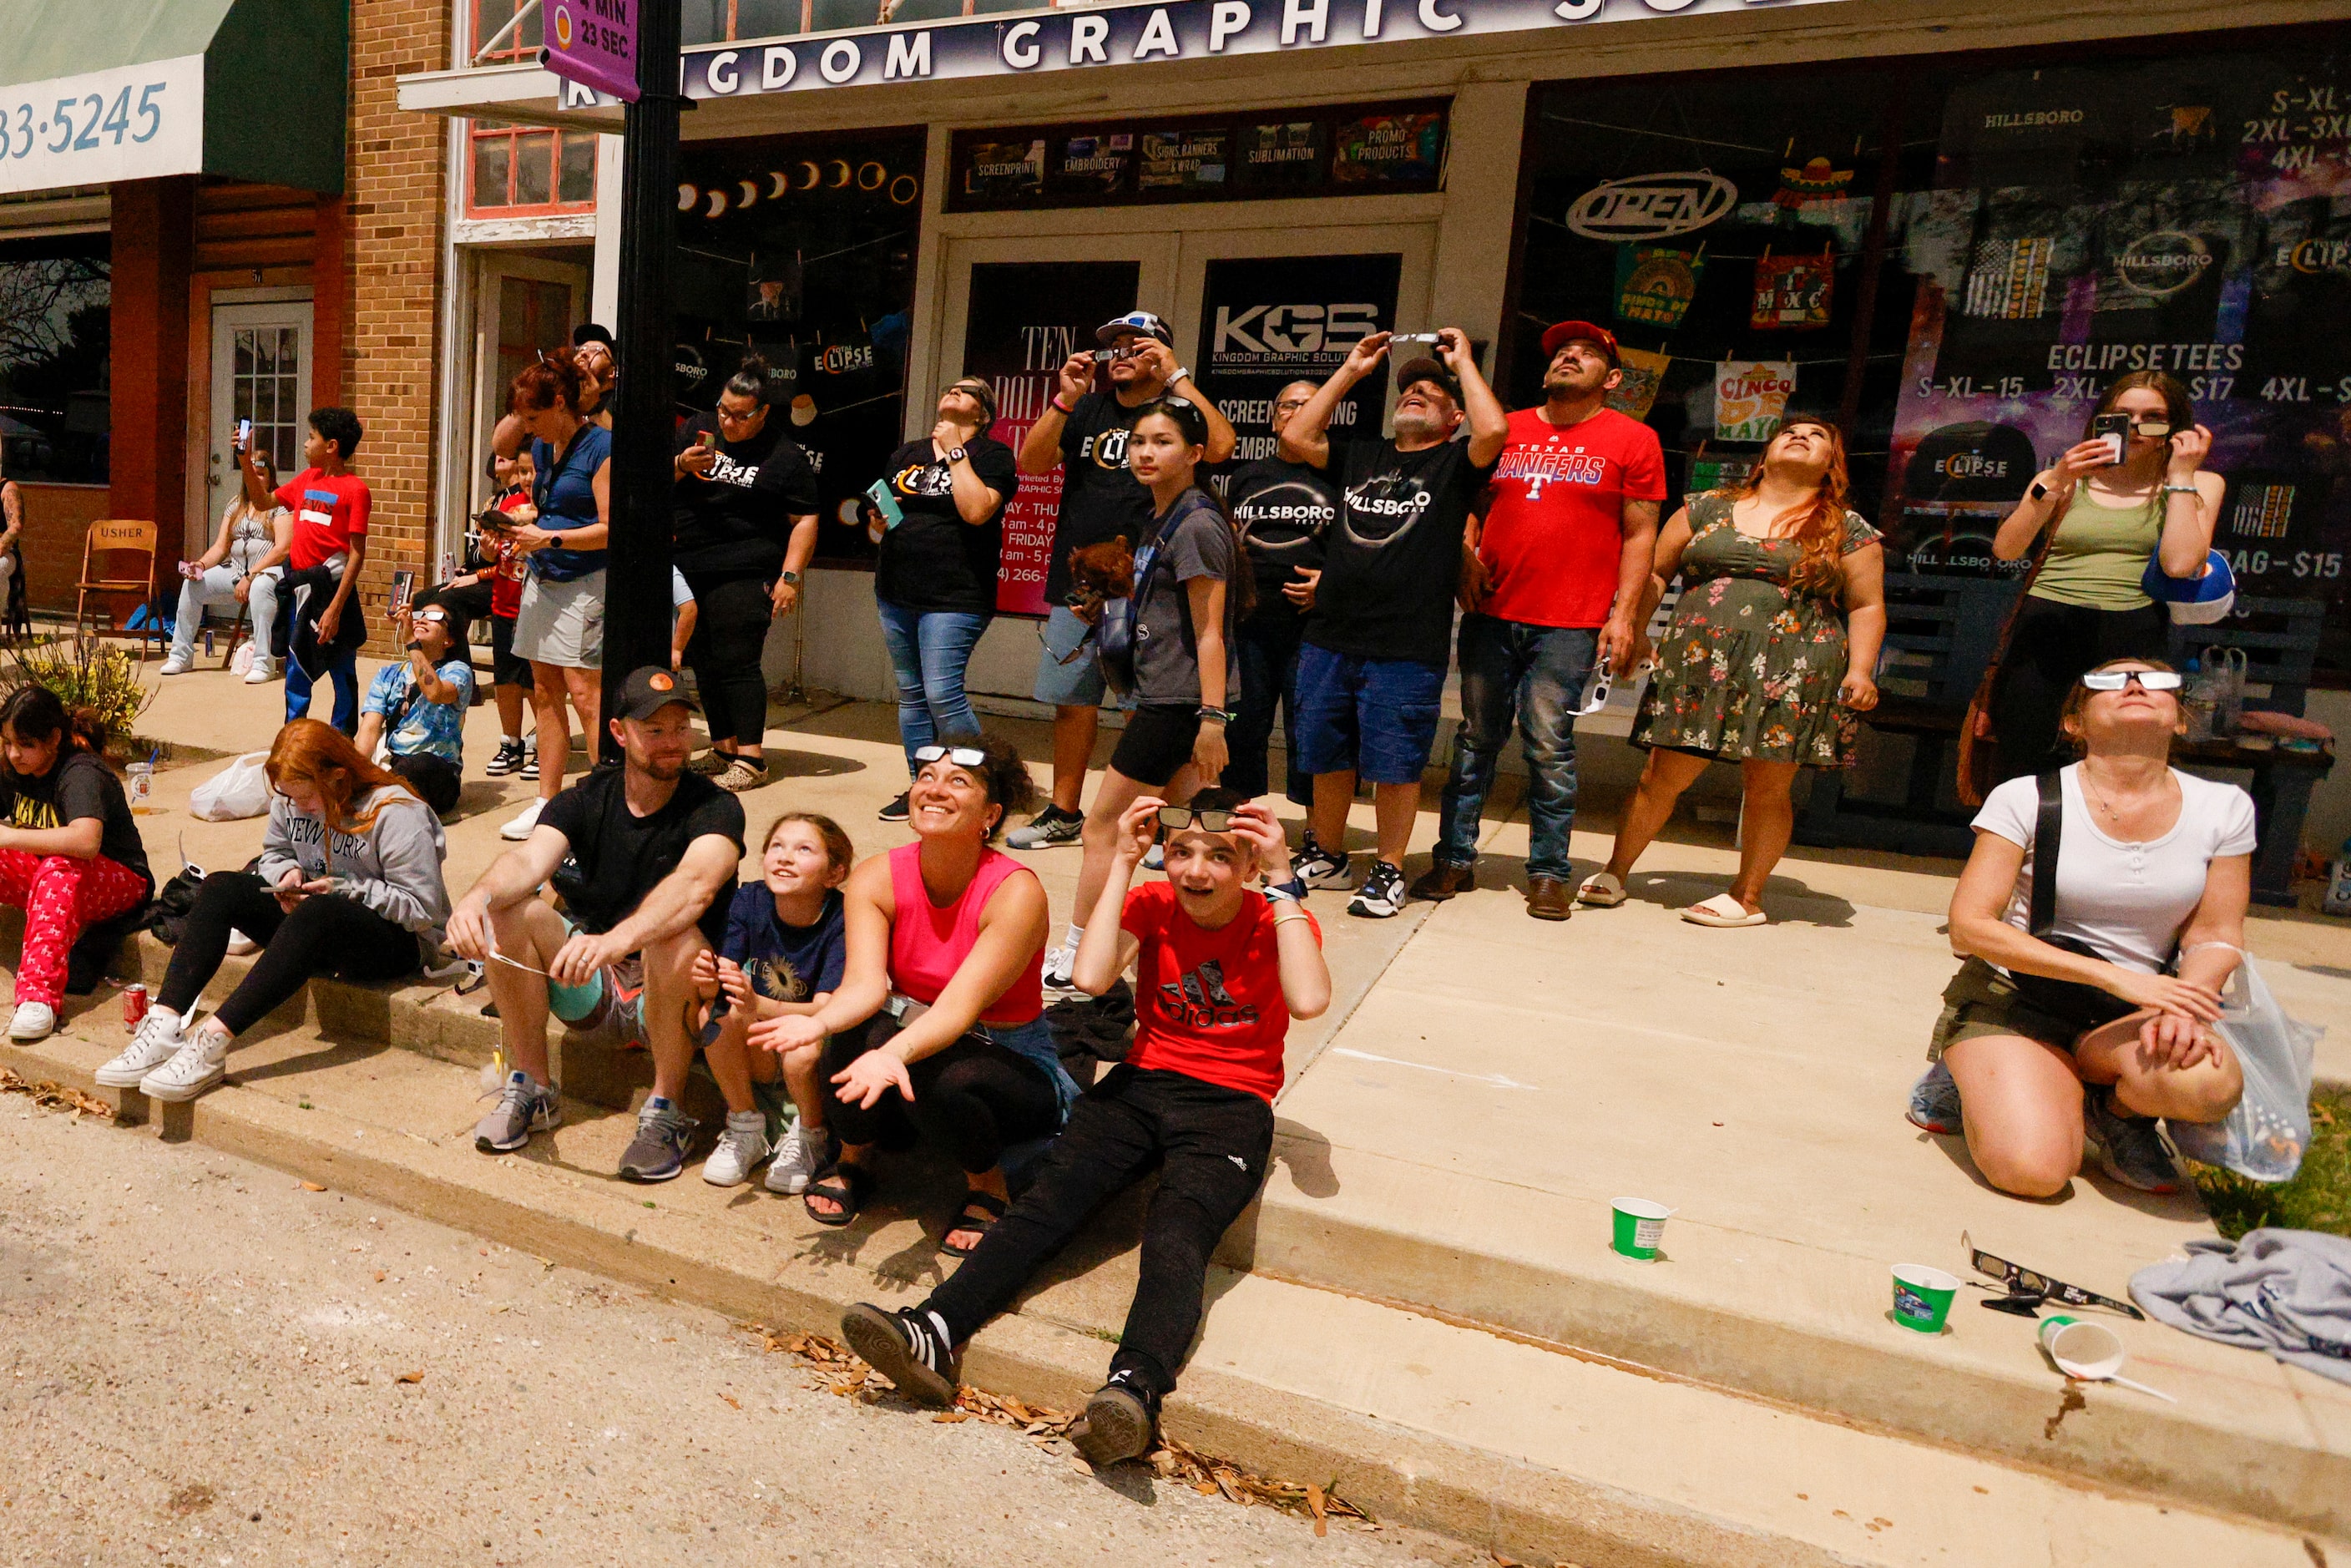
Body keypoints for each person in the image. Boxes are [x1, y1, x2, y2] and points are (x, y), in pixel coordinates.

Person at [839, 788, 1330, 1464]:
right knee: (1045, 1205)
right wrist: (1124, 862)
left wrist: (1283, 883)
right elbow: (1092, 978)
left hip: (1231, 1104)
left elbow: (1308, 999)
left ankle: (1134, 1389)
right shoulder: (1153, 904)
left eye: (1221, 857)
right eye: (1180, 852)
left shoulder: (1277, 918)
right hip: (1140, 1086)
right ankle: (933, 1327)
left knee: (1177, 1232)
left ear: (1247, 867)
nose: (1195, 871)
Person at [1918, 659, 2248, 1198]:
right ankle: (1971, 1069)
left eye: (2156, 682)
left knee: (2208, 1086)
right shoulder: (2026, 796)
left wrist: (2189, 1003)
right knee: (2035, 1173)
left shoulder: (2223, 807)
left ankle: (2117, 1112)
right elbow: (1969, 928)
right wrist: (2113, 976)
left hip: (2134, 1012)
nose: (2136, 686)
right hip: (2022, 996)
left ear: (2180, 720)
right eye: (2111, 682)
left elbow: (2217, 932)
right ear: (2075, 722)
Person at [751, 736, 1076, 1249]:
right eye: (926, 777)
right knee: (852, 1028)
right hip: (920, 1034)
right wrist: (817, 1022)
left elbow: (957, 1011)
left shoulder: (1016, 892)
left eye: (958, 781)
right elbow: (861, 986)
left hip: (1007, 1058)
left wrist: (893, 1053)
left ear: (990, 813)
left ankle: (989, 1187)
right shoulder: (878, 875)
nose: (935, 789)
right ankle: (855, 1157)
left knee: (934, 1070)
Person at [1579, 417, 1887, 926]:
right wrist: (1634, 628)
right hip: (1698, 664)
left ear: (1832, 465)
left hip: (1795, 667)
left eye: (1818, 437)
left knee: (1767, 787)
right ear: (1763, 455)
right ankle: (1615, 871)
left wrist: (1861, 670)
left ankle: (1747, 896)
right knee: (1660, 776)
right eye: (1790, 431)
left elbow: (1866, 605)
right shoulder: (1706, 507)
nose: (1801, 436)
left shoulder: (1847, 528)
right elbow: (1656, 571)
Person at [447, 668, 746, 1181]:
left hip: (672, 1000)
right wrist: (475, 899)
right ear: (618, 732)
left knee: (673, 935)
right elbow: (528, 863)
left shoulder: (716, 806)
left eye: (680, 729)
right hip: (595, 989)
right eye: (655, 731)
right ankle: (534, 1089)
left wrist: (616, 940)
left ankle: (666, 1110)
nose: (673, 743)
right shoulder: (584, 800)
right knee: (507, 908)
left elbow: (698, 884)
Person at [1411, 321, 1666, 918]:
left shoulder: (1634, 439)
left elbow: (1641, 533)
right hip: (1493, 612)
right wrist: (1464, 557)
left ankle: (1549, 871)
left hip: (1570, 623)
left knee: (1549, 747)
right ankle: (1454, 858)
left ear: (1615, 377)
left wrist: (1624, 617)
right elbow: (1468, 505)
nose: (1569, 358)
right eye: (1560, 353)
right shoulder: (1508, 429)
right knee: (1474, 741)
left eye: (1587, 354)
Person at [94, 720, 446, 1101]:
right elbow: (275, 853)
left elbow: (422, 909)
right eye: (289, 798)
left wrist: (345, 889)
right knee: (221, 886)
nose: (297, 807)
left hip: (397, 941)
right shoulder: (289, 798)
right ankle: (164, 1024)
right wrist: (287, 873)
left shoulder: (396, 813)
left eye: (306, 799)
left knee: (321, 912)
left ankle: (213, 1041)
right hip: (315, 924)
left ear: (339, 777)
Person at [1278, 330, 1507, 918]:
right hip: (1329, 635)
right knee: (1326, 755)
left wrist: (1460, 366)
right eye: (1409, 390)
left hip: (1405, 645)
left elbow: (1495, 432)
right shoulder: (1362, 454)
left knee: (1395, 764)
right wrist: (1352, 369)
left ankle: (1387, 870)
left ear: (1453, 417)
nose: (1416, 394)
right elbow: (1298, 434)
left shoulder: (1455, 463)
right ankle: (1328, 854)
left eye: (1431, 394)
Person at [1009, 311, 1236, 850]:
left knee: (1150, 711)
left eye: (1139, 344)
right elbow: (1032, 462)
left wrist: (1177, 375)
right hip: (1083, 581)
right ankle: (1065, 812)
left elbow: (1221, 446)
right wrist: (1065, 397)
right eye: (1116, 345)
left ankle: (1162, 824)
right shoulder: (1089, 407)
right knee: (1072, 700)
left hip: (1148, 584)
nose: (1123, 352)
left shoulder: (1175, 413)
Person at [1045, 397, 1246, 990]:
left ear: (1195, 454)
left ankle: (1081, 952)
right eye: (1137, 442)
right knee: (1197, 830)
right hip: (1167, 693)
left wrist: (1212, 719)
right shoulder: (1163, 516)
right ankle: (1218, 946)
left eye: (1161, 442)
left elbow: (1212, 630)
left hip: (1179, 702)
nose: (1145, 452)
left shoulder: (1199, 523)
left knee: (1103, 826)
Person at [1987, 371, 2223, 783]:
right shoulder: (2059, 480)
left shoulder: (2199, 483)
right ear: (2101, 421)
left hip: (2132, 631)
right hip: (2047, 626)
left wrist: (2181, 477)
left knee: (2117, 767)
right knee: (2025, 765)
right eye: (2121, 416)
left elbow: (2180, 564)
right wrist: (2057, 482)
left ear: (2175, 429)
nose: (2135, 427)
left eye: (2153, 418)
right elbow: (2006, 549)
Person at [869, 377, 1019, 822]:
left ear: (983, 414)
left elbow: (976, 511)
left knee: (942, 692)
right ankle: (923, 785)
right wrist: (880, 519)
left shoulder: (992, 455)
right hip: (896, 590)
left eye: (967, 391)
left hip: (955, 594)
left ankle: (984, 786)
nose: (954, 391)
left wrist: (956, 450)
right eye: (951, 387)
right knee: (912, 695)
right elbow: (884, 525)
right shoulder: (907, 454)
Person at [672, 354, 820, 792]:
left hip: (746, 567)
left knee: (737, 661)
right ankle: (723, 748)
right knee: (705, 663)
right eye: (723, 410)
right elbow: (647, 481)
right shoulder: (696, 430)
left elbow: (806, 520)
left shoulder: (785, 456)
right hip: (690, 564)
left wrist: (790, 579)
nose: (728, 421)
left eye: (739, 415)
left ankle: (752, 759)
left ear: (763, 412)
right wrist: (682, 465)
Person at [692, 811, 853, 1191]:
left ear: (834, 874)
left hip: (817, 1045)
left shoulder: (842, 918)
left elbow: (827, 1009)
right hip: (763, 1045)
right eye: (776, 846)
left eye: (804, 849)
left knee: (800, 1048)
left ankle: (812, 1137)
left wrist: (757, 1006)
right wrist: (710, 980)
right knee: (712, 1016)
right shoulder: (751, 899)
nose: (784, 856)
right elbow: (728, 976)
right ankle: (745, 1125)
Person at [499, 351, 613, 842]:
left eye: (533, 416)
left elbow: (611, 529)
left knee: (588, 695)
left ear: (561, 403)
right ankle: (548, 803)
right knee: (543, 692)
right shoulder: (543, 450)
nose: (526, 429)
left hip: (585, 581)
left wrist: (549, 538)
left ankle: (607, 802)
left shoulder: (603, 447)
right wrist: (522, 525)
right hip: (543, 578)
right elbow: (501, 443)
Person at [0, 686, 152, 1042]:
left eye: (25, 744)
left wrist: (9, 837)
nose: (14, 754)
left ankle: (39, 998)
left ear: (53, 739)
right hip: (48, 872)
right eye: (7, 742)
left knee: (58, 868)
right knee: (51, 868)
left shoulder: (80, 772)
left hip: (120, 879)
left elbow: (85, 842)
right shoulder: (12, 768)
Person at [1221, 379, 1335, 807]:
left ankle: (1316, 833)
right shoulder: (1247, 475)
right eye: (1289, 406)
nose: (1298, 413)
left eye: (1308, 405)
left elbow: (1363, 541)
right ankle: (1239, 821)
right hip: (1250, 622)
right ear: (1273, 420)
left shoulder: (1340, 472)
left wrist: (1332, 584)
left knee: (1310, 728)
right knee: (1243, 724)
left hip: (1314, 624)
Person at [239, 410, 371, 731]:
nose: (305, 444)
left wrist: (336, 609)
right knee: (297, 670)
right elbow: (262, 500)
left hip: (332, 590)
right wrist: (244, 461)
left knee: (342, 670)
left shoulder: (356, 490)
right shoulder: (306, 480)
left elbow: (356, 554)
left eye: (312, 438)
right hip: (301, 590)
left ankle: (342, 741)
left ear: (332, 446)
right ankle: (294, 737)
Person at [161, 451, 290, 681]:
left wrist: (251, 576)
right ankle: (181, 656)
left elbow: (282, 549)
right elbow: (221, 547)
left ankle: (263, 663)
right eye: (252, 474)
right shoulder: (235, 506)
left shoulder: (279, 504)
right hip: (236, 572)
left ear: (271, 476)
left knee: (260, 587)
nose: (257, 478)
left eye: (261, 474)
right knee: (194, 585)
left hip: (268, 574)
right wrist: (199, 564)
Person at [447, 450, 537, 778]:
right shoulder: (507, 507)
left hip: (535, 608)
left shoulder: (548, 511)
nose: (527, 478)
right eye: (523, 471)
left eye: (533, 471)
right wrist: (487, 553)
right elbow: (498, 559)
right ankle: (511, 743)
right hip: (504, 602)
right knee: (505, 679)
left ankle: (543, 741)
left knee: (534, 684)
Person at [355, 602, 477, 817]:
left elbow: (435, 693)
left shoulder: (458, 671)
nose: (421, 619)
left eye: (435, 617)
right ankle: (375, 793)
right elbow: (369, 729)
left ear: (448, 640)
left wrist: (411, 642)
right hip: (394, 764)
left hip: (437, 772)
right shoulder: (388, 674)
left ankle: (377, 795)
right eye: (420, 614)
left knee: (421, 765)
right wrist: (352, 770)